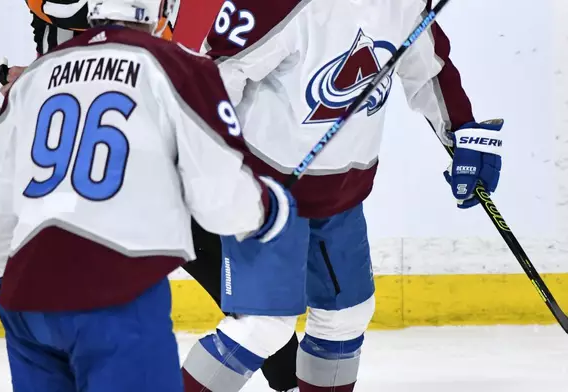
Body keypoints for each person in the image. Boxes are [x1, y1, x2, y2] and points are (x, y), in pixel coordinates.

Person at [181, 0, 504, 391]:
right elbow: (215, 79)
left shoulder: (403, 4)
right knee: (262, 327)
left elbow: (430, 71)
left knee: (345, 317)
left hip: (343, 195)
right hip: (266, 194)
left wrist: (462, 134)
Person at [0, 0, 296, 391]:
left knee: (269, 330)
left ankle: (284, 369)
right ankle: (285, 370)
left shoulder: (33, 79)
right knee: (265, 320)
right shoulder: (176, 67)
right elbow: (219, 198)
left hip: (29, 295)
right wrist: (270, 208)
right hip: (117, 285)